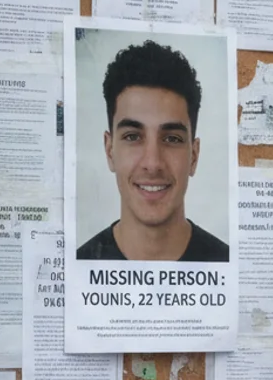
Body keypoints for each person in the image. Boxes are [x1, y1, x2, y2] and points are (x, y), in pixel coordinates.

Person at [77, 40, 229, 262]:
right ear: (110, 151)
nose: (153, 163)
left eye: (171, 138)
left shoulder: (229, 266)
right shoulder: (77, 268)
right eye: (132, 137)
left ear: (194, 156)